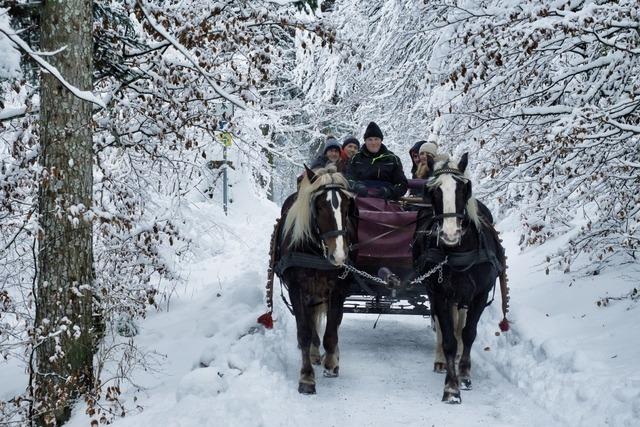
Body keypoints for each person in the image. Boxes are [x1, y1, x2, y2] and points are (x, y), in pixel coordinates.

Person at [346, 122, 408, 200]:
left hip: (386, 202)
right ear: (365, 141)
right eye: (370, 140)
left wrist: (389, 191)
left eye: (376, 139)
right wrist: (356, 186)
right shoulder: (355, 159)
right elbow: (348, 179)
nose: (373, 143)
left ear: (381, 140)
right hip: (361, 200)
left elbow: (402, 184)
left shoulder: (393, 159)